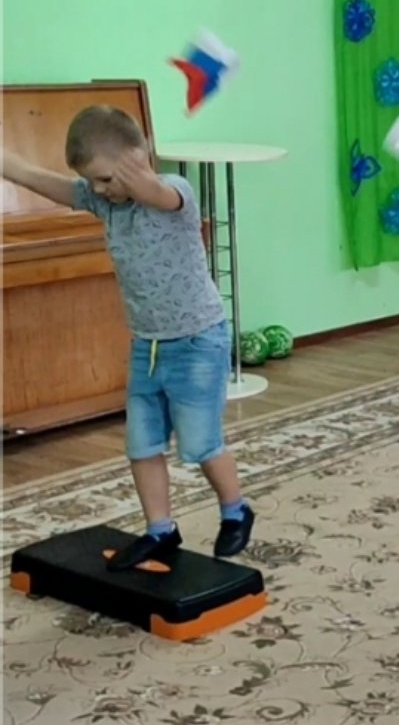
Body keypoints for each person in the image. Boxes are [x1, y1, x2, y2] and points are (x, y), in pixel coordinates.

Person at [1, 105, 255, 569]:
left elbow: (159, 193)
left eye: (105, 179)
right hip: (148, 345)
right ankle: (160, 530)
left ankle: (236, 510)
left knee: (199, 443)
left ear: (136, 159)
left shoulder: (174, 193)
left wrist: (139, 178)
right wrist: (10, 165)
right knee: (141, 443)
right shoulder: (105, 201)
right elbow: (41, 180)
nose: (98, 190)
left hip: (197, 341)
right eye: (92, 182)